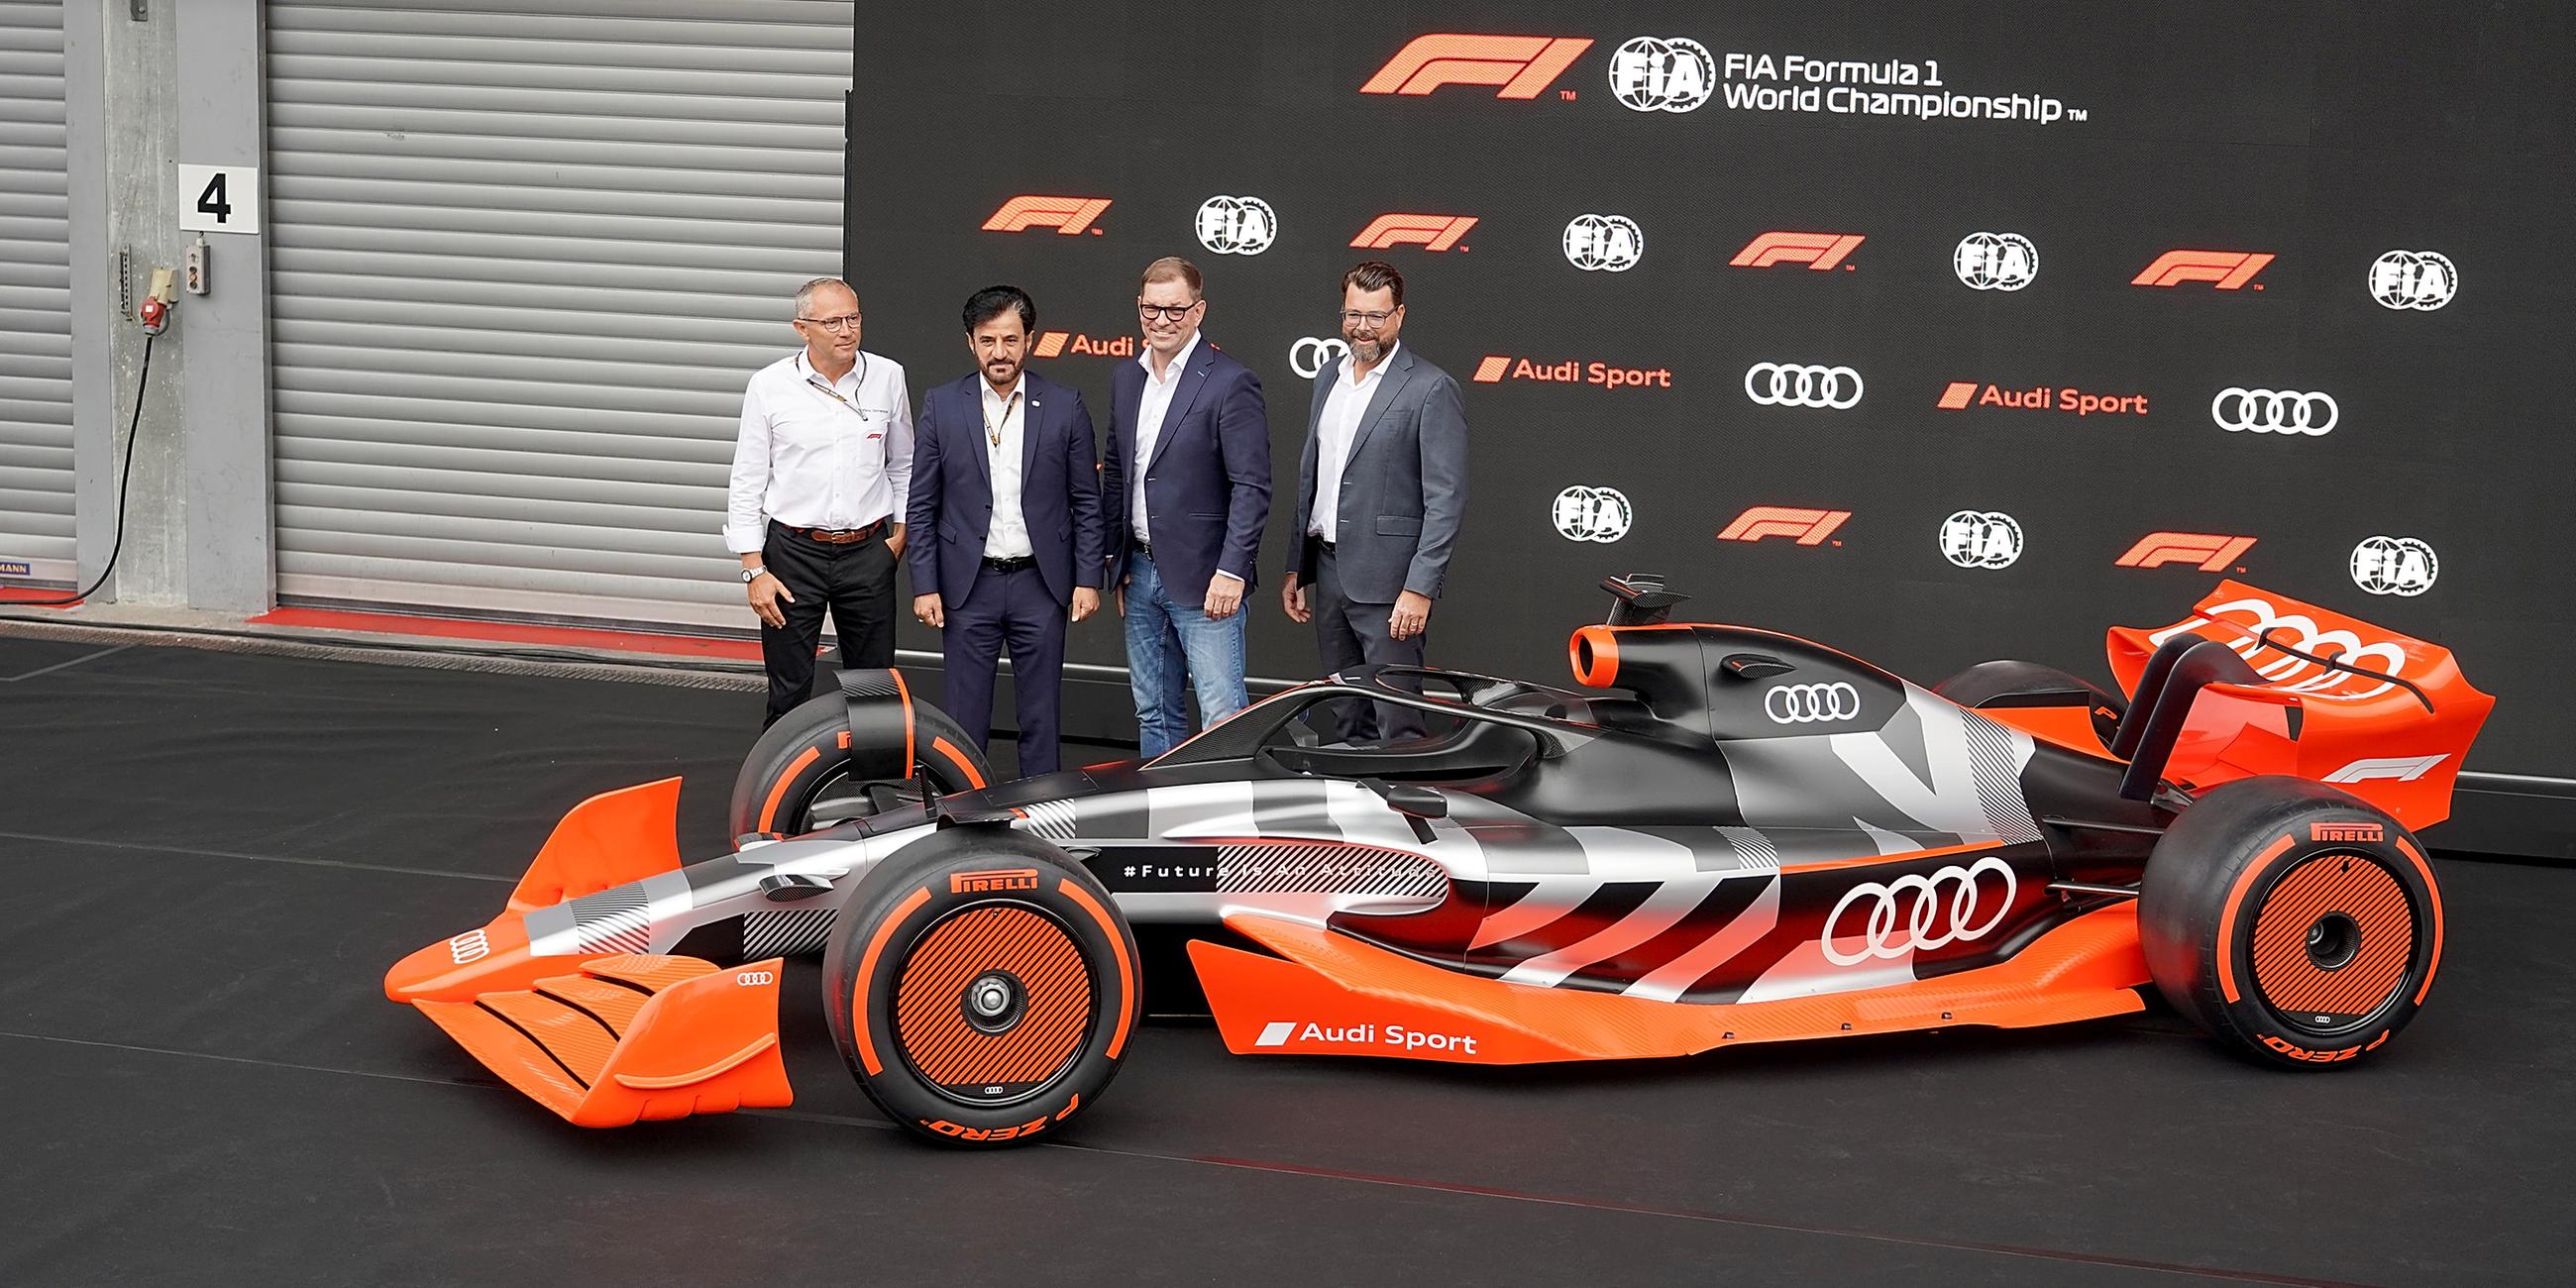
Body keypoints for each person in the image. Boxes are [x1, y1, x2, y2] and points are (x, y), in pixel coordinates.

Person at [907, 285, 1105, 779]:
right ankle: (962, 812)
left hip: (1042, 584)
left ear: (1030, 341)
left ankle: (1044, 814)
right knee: (963, 717)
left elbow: (1086, 500)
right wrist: (925, 584)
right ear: (970, 342)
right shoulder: (943, 404)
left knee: (1041, 712)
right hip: (966, 586)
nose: (1001, 352)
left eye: (1011, 340)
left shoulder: (1064, 404)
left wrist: (1087, 579)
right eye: (989, 340)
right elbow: (923, 502)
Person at [1280, 261, 1467, 744]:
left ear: (1399, 316)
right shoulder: (1328, 377)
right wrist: (1297, 569)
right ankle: (1353, 812)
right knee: (1345, 714)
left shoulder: (1430, 388)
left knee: (1397, 718)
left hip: (1391, 584)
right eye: (1352, 315)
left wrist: (1419, 589)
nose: (1362, 327)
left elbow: (1445, 499)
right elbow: (1315, 479)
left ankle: (1407, 815)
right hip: (1329, 571)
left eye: (1376, 316)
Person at [1101, 257, 1270, 758]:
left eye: (1175, 309)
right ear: (1139, 308)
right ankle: (1166, 824)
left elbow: (1252, 487)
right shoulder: (1126, 378)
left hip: (1207, 579)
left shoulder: (1230, 381)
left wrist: (1232, 572)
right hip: (1138, 571)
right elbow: (1117, 472)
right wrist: (1115, 562)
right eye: (1152, 308)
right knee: (1153, 709)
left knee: (1222, 715)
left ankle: (1230, 832)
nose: (1162, 320)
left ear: (1198, 311)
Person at [725, 276, 912, 727]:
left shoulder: (888, 376)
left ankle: (877, 789)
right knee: (788, 688)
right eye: (832, 322)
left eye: (853, 318)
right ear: (801, 328)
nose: (846, 330)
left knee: (874, 689)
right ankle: (782, 792)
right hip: (792, 553)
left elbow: (904, 463)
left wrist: (900, 537)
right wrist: (754, 569)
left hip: (868, 551)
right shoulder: (769, 385)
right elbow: (748, 478)